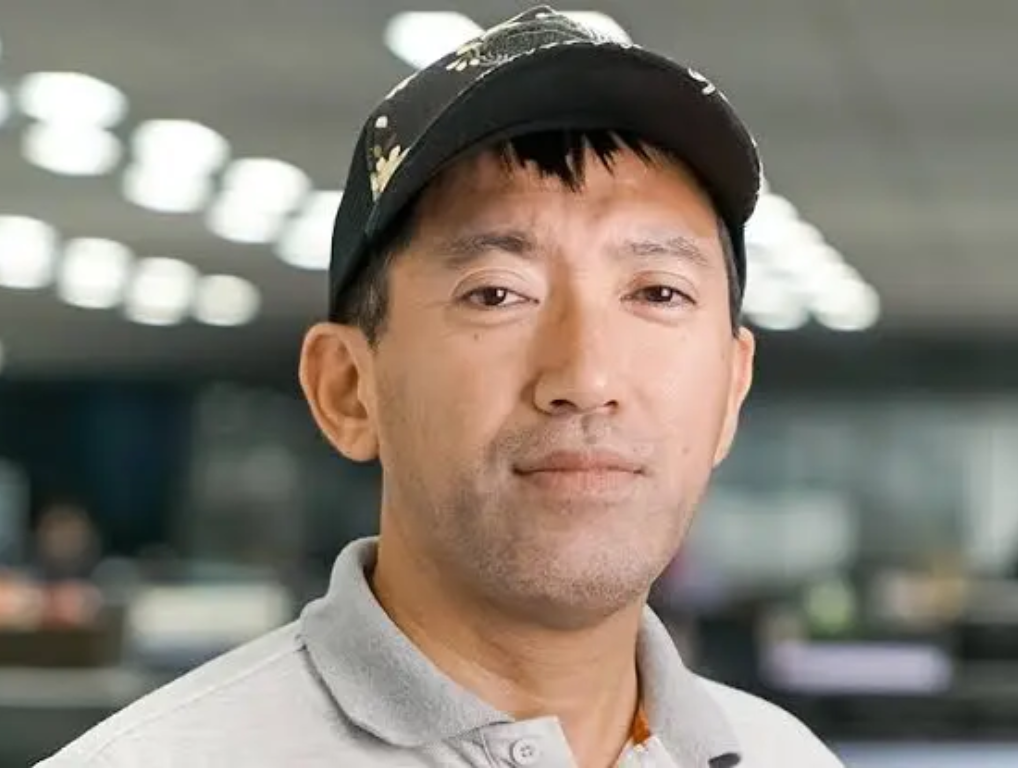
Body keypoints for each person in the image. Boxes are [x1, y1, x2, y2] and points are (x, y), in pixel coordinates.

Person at [39, 7, 844, 767]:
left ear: (731, 391)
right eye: (496, 293)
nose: (586, 377)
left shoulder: (788, 756)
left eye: (658, 292)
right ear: (348, 390)